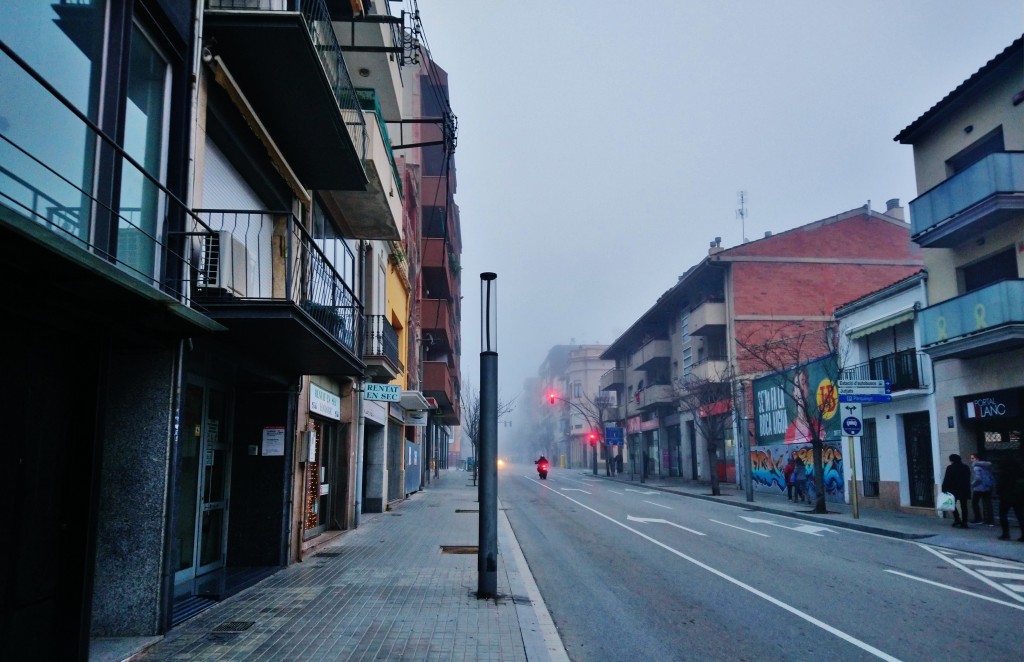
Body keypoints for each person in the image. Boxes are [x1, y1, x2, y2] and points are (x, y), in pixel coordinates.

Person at [996, 456, 1024, 541]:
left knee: (1003, 514)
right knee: (1020, 516)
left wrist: (999, 492)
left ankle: (1006, 533)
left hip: (1006, 496)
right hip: (1018, 496)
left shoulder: (1004, 472)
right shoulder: (1020, 472)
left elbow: (1000, 484)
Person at [941, 453, 972, 528]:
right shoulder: (966, 467)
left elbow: (947, 479)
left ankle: (957, 519)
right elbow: (968, 478)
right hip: (964, 489)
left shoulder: (950, 468)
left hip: (953, 489)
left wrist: (944, 489)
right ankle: (964, 522)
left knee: (951, 505)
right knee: (964, 506)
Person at [969, 452, 995, 525]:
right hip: (987, 487)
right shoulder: (986, 466)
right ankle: (991, 521)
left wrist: (972, 484)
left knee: (974, 503)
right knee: (988, 504)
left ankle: (978, 519)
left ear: (977, 459)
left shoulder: (976, 467)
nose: (971, 460)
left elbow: (978, 478)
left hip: (979, 488)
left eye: (972, 458)